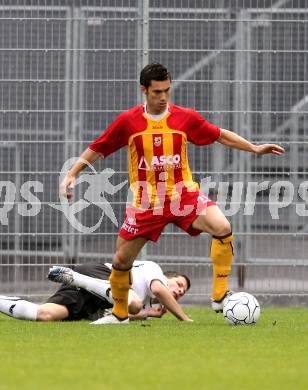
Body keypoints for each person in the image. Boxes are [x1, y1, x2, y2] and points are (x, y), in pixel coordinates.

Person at [60, 63, 285, 324]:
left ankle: (219, 295)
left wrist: (254, 149)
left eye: (167, 90)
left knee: (222, 226)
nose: (163, 97)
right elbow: (99, 148)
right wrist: (73, 173)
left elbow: (219, 135)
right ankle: (120, 313)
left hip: (183, 196)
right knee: (122, 261)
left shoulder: (184, 118)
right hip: (146, 203)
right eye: (157, 92)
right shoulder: (128, 121)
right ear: (143, 90)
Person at [0, 261, 190, 322]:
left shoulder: (148, 303)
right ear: (168, 276)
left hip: (98, 299)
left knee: (45, 314)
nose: (180, 290)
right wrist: (184, 318)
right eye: (179, 283)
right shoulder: (154, 271)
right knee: (134, 303)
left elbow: (118, 314)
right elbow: (158, 288)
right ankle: (78, 280)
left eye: (183, 292)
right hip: (103, 274)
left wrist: (147, 314)